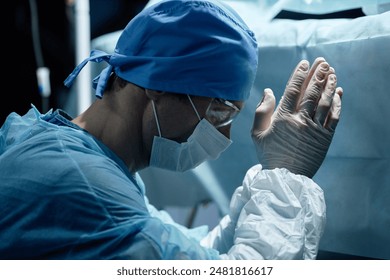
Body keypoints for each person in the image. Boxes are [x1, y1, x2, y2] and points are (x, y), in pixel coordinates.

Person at [0, 0, 343, 259]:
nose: (223, 137)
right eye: (219, 113)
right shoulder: (82, 185)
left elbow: (188, 252)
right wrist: (287, 180)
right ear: (158, 85)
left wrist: (266, 181)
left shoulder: (79, 156)